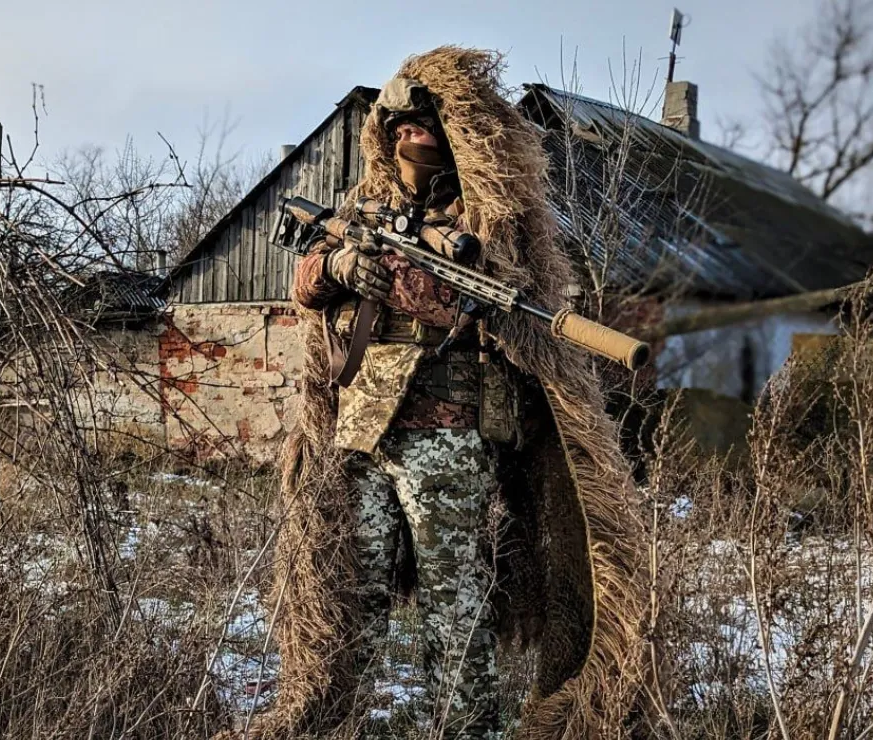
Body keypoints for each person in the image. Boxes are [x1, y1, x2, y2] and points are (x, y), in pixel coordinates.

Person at [228, 47, 646, 740]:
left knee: (451, 600)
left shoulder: (484, 215)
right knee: (354, 593)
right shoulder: (366, 206)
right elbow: (304, 286)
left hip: (448, 432)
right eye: (394, 130)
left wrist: (395, 270)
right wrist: (336, 263)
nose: (405, 139)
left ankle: (465, 726)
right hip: (362, 428)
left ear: (451, 134)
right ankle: (334, 719)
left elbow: (468, 300)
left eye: (418, 128)